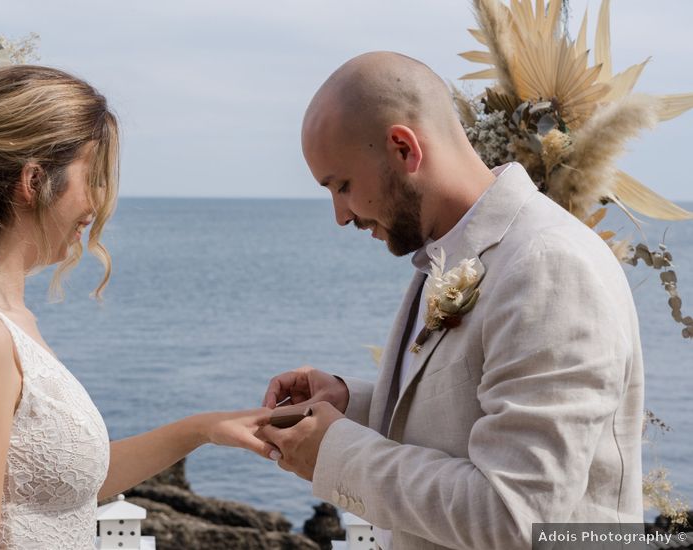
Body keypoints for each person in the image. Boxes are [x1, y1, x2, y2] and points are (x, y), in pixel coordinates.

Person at [0, 65, 271, 549]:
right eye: (91, 178)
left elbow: (60, 486)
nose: (96, 203)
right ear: (33, 181)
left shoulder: (5, 323)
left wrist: (202, 429)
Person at [256, 51, 644, 550]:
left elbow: (515, 514)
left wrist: (335, 452)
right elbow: (475, 409)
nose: (340, 215)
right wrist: (352, 404)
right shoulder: (451, 254)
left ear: (403, 148)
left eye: (343, 185)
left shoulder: (548, 264)